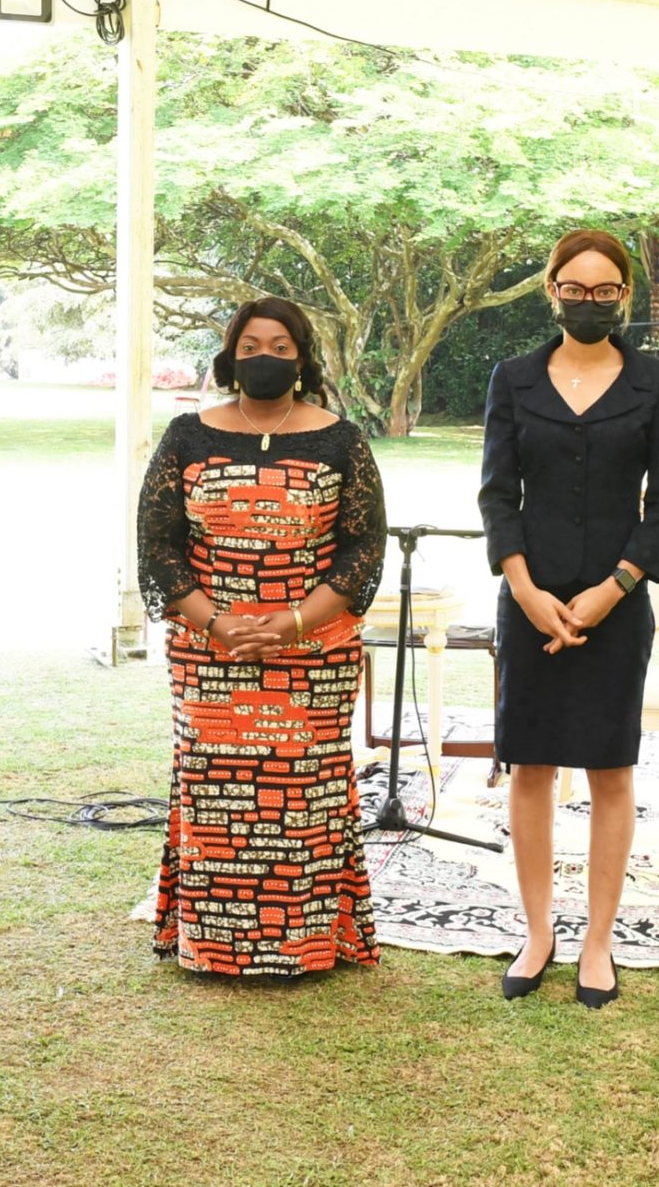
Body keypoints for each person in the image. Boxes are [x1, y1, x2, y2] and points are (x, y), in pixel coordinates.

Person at [138, 297, 386, 976]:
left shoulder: (341, 439)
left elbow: (363, 546)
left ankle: (308, 944)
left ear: (302, 358)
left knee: (306, 790)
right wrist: (218, 623)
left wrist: (296, 620)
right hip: (208, 650)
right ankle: (211, 944)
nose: (265, 357)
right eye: (251, 345)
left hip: (313, 652)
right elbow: (158, 546)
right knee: (215, 786)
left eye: (280, 346)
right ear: (230, 356)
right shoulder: (188, 435)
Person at [478, 228, 659, 1010]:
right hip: (529, 599)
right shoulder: (514, 378)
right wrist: (526, 591)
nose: (589, 301)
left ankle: (598, 941)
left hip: (617, 605)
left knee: (609, 768)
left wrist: (615, 586)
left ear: (623, 296)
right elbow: (499, 495)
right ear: (552, 289)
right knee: (531, 766)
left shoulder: (656, 383)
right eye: (576, 288)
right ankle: (539, 933)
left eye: (605, 291)